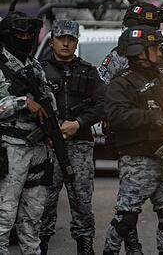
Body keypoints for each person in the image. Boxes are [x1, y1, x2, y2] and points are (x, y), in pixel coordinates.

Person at [98, 3, 163, 255]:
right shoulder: (120, 57)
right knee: (129, 210)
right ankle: (131, 246)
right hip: (136, 143)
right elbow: (104, 97)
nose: (154, 36)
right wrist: (138, 117)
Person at [38, 20, 103, 254]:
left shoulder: (88, 71)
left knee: (82, 203)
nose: (65, 43)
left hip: (80, 147)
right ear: (52, 41)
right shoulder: (38, 70)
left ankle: (85, 247)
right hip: (47, 148)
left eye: (71, 39)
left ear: (76, 42)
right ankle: (40, 246)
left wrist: (78, 123)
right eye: (61, 38)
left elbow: (103, 104)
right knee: (44, 204)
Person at [0, 11, 57, 254]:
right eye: (20, 35)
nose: (25, 39)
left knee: (33, 216)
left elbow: (48, 101)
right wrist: (22, 103)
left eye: (29, 35)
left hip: (38, 148)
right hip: (10, 148)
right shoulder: (2, 66)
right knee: (5, 214)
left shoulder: (35, 66)